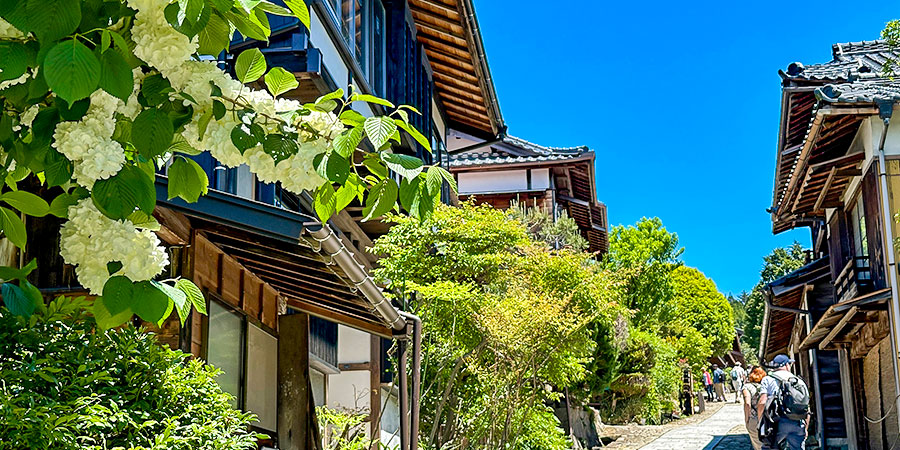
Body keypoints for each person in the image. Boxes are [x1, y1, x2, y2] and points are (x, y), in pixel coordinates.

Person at [758, 355, 810, 450]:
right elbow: (806, 406)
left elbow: (762, 402)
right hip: (797, 421)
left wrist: (761, 421)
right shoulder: (799, 381)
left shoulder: (768, 379)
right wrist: (805, 428)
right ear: (786, 365)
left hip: (776, 422)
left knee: (769, 447)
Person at [742, 366, 767, 450]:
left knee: (758, 446)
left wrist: (747, 420)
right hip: (768, 419)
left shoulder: (747, 387)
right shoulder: (766, 386)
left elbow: (747, 403)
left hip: (754, 419)